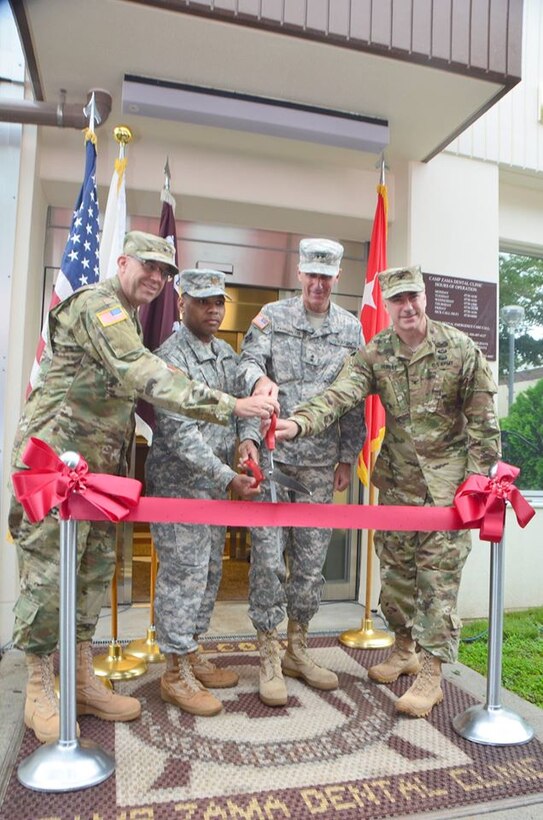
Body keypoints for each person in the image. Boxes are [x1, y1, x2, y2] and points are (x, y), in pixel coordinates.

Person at [9, 231, 278, 744]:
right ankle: (40, 689)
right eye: (148, 267)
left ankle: (82, 679)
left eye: (164, 272)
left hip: (97, 473)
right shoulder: (99, 307)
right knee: (47, 581)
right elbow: (140, 370)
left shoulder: (128, 318)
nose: (155, 278)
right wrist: (230, 407)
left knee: (92, 576)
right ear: (123, 261)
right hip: (55, 465)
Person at [275, 264, 501, 718]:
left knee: (436, 583)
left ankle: (431, 675)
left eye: (412, 296)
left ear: (424, 297)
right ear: (389, 307)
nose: (407, 307)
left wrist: (477, 486)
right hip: (397, 486)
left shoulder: (459, 349)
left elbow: (484, 426)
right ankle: (404, 648)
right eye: (397, 300)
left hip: (447, 492)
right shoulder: (377, 353)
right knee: (396, 575)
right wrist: (297, 424)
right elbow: (340, 394)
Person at [237, 238, 365, 706]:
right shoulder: (273, 317)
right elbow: (247, 363)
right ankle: (268, 654)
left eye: (326, 276)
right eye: (311, 274)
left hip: (318, 463)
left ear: (337, 279)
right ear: (299, 274)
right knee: (269, 561)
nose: (317, 283)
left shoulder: (351, 330)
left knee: (311, 566)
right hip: (272, 462)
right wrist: (256, 385)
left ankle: (297, 647)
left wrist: (349, 455)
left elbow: (354, 394)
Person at [146, 268, 262, 717]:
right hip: (181, 491)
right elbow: (180, 434)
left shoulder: (224, 354)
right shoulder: (168, 358)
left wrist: (248, 441)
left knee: (210, 573)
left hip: (213, 491)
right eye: (203, 302)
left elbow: (242, 409)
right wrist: (227, 477)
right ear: (181, 303)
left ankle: (190, 650)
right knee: (183, 579)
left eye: (219, 302)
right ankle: (174, 672)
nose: (213, 310)